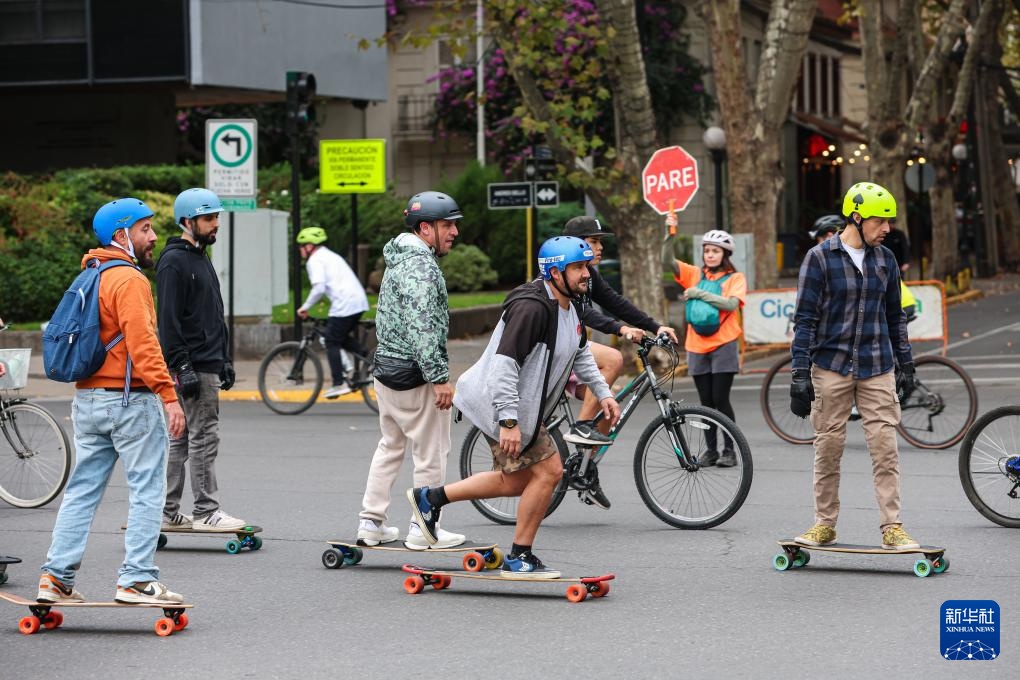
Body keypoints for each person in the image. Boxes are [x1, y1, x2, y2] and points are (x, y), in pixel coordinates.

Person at [405, 236, 621, 578]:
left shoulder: (573, 303)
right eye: (578, 267)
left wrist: (603, 393)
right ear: (554, 273)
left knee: (517, 481)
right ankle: (520, 557)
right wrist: (508, 420)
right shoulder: (532, 308)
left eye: (587, 266)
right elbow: (504, 365)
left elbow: (581, 352)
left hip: (522, 407)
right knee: (549, 472)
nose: (586, 274)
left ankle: (429, 498)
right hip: (499, 402)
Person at [38, 198, 186, 605]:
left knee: (82, 490)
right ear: (121, 235)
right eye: (144, 229)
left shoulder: (90, 274)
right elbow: (144, 344)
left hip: (86, 400)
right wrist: (168, 396)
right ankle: (137, 579)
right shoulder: (129, 280)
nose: (153, 236)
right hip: (129, 402)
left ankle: (55, 578)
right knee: (147, 489)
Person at [789, 182, 921, 550]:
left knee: (885, 446)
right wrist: (799, 374)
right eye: (882, 222)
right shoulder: (819, 258)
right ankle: (824, 524)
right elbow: (805, 320)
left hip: (877, 365)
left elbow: (895, 316)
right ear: (858, 218)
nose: (888, 229)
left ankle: (892, 527)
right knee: (828, 446)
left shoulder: (886, 260)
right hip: (831, 365)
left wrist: (906, 366)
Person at [355, 191, 466, 549]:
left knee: (390, 446)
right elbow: (423, 326)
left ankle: (371, 523)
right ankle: (424, 528)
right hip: (414, 374)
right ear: (425, 228)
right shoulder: (420, 266)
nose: (454, 232)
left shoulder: (399, 259)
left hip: (386, 369)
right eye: (447, 225)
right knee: (432, 451)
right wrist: (439, 377)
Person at [560, 216, 678, 508]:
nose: (600, 247)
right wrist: (621, 329)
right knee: (613, 358)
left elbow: (615, 302)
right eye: (594, 241)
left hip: (575, 350)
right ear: (575, 245)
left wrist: (655, 325)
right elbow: (583, 314)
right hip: (556, 351)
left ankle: (585, 470)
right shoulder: (564, 274)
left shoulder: (589, 273)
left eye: (601, 242)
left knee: (608, 406)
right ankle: (581, 427)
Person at [156, 188, 246, 532]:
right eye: (209, 218)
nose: (216, 224)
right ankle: (207, 510)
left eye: (217, 217)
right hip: (192, 367)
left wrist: (223, 359)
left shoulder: (199, 256)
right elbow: (169, 320)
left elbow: (209, 314)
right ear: (187, 221)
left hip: (208, 362)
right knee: (203, 437)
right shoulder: (173, 261)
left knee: (182, 438)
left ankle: (167, 511)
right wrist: (181, 366)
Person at [668, 229, 747, 467]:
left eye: (715, 251)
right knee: (705, 402)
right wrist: (669, 233)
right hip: (696, 346)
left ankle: (729, 450)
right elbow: (665, 261)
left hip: (724, 344)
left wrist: (698, 293)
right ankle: (711, 451)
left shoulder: (735, 278)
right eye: (707, 251)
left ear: (725, 254)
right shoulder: (693, 273)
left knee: (721, 399)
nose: (710, 255)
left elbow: (731, 304)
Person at [296, 226, 370, 399]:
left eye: (301, 246)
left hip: (346, 304)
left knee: (331, 340)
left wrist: (305, 307)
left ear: (309, 246)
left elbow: (319, 287)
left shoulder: (314, 260)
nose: (300, 250)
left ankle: (339, 383)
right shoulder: (329, 255)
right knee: (339, 337)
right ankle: (372, 360)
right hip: (357, 302)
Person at [814, 214, 917, 321]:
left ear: (830, 235)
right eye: (879, 222)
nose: (886, 229)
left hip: (902, 305)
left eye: (819, 240)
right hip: (904, 303)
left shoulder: (877, 255)